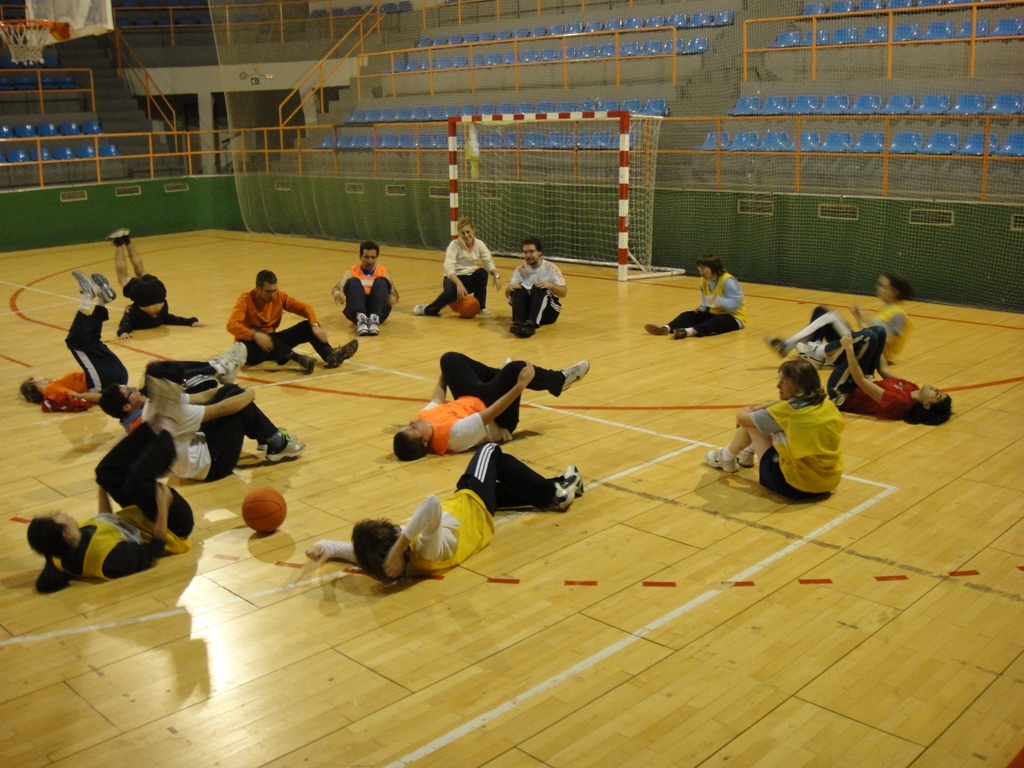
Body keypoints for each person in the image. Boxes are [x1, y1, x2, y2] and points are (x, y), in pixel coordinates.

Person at [305, 443, 584, 582]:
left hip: (472, 510)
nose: (399, 531)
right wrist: (401, 542)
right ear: (394, 555)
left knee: (520, 488)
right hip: (474, 503)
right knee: (490, 451)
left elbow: (350, 551)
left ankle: (560, 485)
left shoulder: (389, 563)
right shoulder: (425, 551)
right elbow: (430, 505)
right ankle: (555, 495)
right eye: (397, 535)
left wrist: (325, 548)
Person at [98, 362, 305, 484]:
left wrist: (232, 389)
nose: (183, 385)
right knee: (239, 406)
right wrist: (249, 394)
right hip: (211, 467)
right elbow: (222, 409)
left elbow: (205, 396)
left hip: (194, 453)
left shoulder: (157, 402)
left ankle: (269, 439)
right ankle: (276, 443)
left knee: (229, 392)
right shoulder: (171, 414)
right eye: (180, 383)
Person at [29, 451, 192, 593]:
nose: (60, 512)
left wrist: (103, 488)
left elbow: (105, 524)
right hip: (172, 528)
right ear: (64, 533)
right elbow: (155, 551)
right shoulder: (110, 559)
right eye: (55, 515)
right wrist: (162, 506)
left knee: (105, 473)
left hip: (137, 518)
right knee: (139, 482)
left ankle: (151, 433)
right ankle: (165, 439)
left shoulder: (62, 552)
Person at [393, 352, 591, 461]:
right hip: (499, 418)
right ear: (426, 441)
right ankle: (558, 381)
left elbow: (436, 398)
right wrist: (519, 385)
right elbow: (490, 413)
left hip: (472, 398)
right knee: (517, 369)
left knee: (449, 359)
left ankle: (499, 374)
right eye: (412, 428)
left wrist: (446, 373)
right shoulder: (453, 436)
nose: (412, 422)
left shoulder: (424, 419)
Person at [705, 358, 844, 500]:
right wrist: (757, 409)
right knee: (762, 422)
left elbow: (742, 419)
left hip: (796, 486)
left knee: (752, 424)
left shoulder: (788, 412)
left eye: (784, 381)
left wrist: (748, 409)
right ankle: (745, 455)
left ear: (799, 386)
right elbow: (781, 405)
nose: (778, 385)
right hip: (829, 481)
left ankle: (725, 458)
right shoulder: (826, 404)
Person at [19, 271, 127, 412]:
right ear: (32, 381)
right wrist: (101, 398)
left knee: (92, 340)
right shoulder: (50, 389)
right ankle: (86, 295)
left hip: (117, 376)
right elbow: (74, 396)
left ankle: (102, 299)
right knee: (75, 342)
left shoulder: (56, 384)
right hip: (104, 383)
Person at [227, 269, 358, 375]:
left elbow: (305, 308)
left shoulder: (279, 296)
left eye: (274, 290)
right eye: (268, 292)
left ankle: (329, 355)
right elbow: (231, 325)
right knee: (257, 337)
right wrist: (254, 335)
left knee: (306, 327)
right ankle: (298, 359)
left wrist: (315, 325)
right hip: (252, 349)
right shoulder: (245, 300)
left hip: (271, 344)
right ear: (258, 289)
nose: (272, 295)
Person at [766, 271, 914, 365]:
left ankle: (789, 346)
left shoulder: (898, 315)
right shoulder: (887, 309)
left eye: (883, 286)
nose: (878, 288)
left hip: (871, 357)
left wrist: (866, 318)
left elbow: (885, 341)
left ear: (894, 291)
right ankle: (814, 352)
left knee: (830, 317)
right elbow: (868, 332)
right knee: (821, 310)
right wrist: (859, 318)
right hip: (862, 345)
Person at [813, 327, 952, 424]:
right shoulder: (912, 388)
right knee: (877, 333)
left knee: (867, 337)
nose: (936, 389)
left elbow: (860, 380)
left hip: (843, 391)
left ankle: (818, 352)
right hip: (859, 380)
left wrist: (850, 349)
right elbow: (883, 369)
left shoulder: (900, 403)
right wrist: (877, 345)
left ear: (927, 405)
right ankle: (823, 351)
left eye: (937, 395)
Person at [105, 228, 203, 339]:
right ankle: (120, 243)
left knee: (141, 272)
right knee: (123, 277)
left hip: (158, 290)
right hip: (143, 293)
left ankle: (127, 241)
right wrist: (123, 332)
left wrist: (191, 321)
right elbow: (126, 322)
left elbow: (173, 319)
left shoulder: (162, 317)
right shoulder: (135, 316)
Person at [413, 218, 501, 317]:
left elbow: (488, 262)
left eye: (468, 232)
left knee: (482, 273)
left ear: (473, 230)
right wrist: (458, 284)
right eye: (463, 233)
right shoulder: (454, 245)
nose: (466, 235)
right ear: (459, 233)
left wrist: (496, 276)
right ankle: (428, 309)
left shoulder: (479, 244)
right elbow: (448, 267)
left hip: (469, 278)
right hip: (453, 278)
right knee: (450, 293)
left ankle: (481, 307)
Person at [644, 254, 746, 339]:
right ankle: (666, 328)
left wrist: (718, 301)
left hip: (733, 318)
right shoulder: (703, 280)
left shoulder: (727, 281)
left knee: (719, 321)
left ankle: (687, 332)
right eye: (699, 268)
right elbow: (706, 300)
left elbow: (736, 304)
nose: (700, 271)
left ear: (713, 267)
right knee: (688, 315)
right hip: (714, 313)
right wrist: (702, 307)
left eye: (703, 268)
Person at [331, 239, 399, 336]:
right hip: (356, 309)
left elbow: (395, 295)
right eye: (366, 257)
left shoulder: (383, 272)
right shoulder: (352, 271)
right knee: (353, 281)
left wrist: (391, 298)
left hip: (378, 310)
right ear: (360, 257)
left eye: (373, 257)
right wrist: (337, 293)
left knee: (382, 281)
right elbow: (337, 288)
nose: (370, 261)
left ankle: (374, 320)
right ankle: (361, 318)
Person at [505, 236, 567, 337]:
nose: (528, 255)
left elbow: (563, 292)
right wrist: (508, 290)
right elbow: (509, 296)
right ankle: (518, 323)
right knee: (517, 289)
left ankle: (531, 325)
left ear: (540, 252)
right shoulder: (520, 270)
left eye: (531, 251)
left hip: (548, 312)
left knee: (539, 287)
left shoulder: (551, 268)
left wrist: (551, 285)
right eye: (525, 252)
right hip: (529, 310)